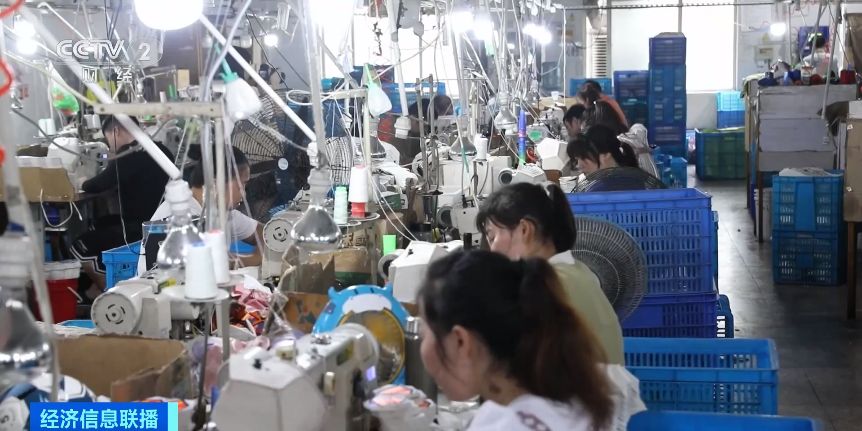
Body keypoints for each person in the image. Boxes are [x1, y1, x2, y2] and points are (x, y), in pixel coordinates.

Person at [418, 250, 643, 430]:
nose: (422, 345)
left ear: (460, 342)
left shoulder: (504, 424)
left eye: (425, 330)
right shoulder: (572, 395)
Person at [475, 182, 624, 364]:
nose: (492, 250)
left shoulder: (543, 286)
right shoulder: (578, 271)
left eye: (492, 237)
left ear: (525, 230)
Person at [70, 115, 173, 294]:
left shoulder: (129, 153)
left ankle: (108, 292)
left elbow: (99, 184)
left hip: (138, 229)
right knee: (100, 224)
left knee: (80, 245)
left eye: (109, 139)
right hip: (160, 225)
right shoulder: (161, 149)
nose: (110, 147)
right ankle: (93, 289)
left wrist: (82, 182)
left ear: (116, 131)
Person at [150, 146, 263, 267]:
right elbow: (207, 264)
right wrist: (256, 258)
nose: (243, 193)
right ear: (215, 183)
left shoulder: (221, 211)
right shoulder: (181, 214)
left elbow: (264, 232)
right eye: (241, 185)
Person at [567, 125, 639, 176]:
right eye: (577, 159)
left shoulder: (624, 185)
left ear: (606, 155)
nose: (579, 165)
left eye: (584, 158)